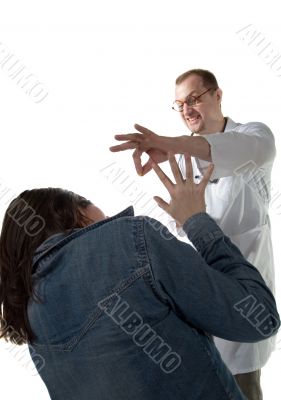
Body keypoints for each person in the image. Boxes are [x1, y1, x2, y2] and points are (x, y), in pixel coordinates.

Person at [0, 154, 279, 400]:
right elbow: (258, 318)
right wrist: (196, 219)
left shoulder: (32, 313)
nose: (106, 215)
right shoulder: (129, 239)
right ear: (77, 214)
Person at [109, 68, 277, 400]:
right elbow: (183, 226)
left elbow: (231, 151)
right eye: (179, 104)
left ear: (217, 95)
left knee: (244, 386)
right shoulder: (183, 158)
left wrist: (168, 146)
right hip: (201, 294)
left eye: (193, 98)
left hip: (246, 292)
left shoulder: (255, 136)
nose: (186, 109)